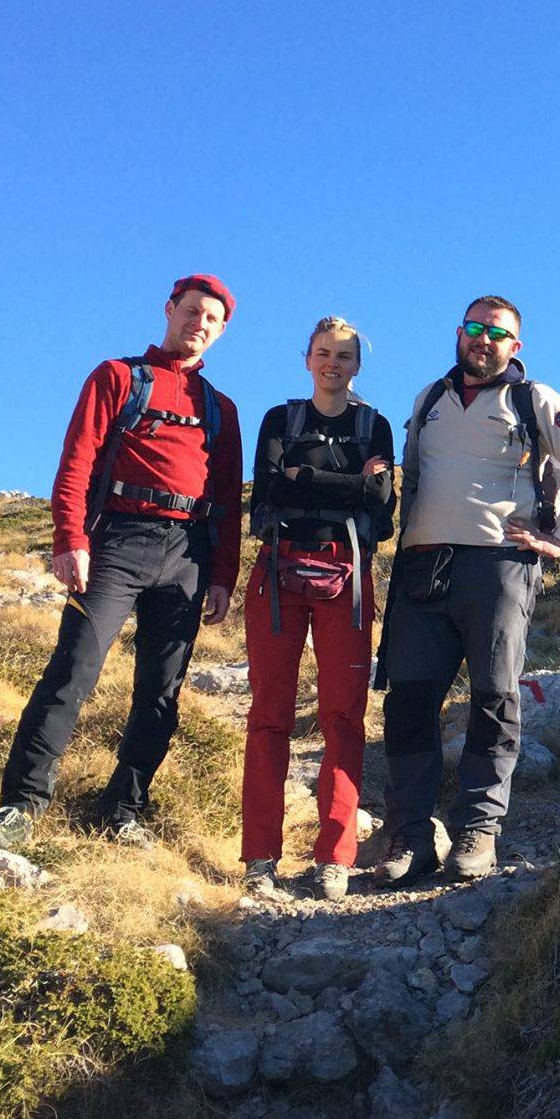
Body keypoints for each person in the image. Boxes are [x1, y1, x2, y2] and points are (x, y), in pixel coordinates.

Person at [0, 275, 243, 850]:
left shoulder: (221, 409)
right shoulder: (118, 377)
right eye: (191, 311)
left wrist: (225, 575)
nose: (198, 323)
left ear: (221, 332)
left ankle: (124, 808)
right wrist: (69, 538)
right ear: (169, 310)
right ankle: (21, 806)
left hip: (188, 553)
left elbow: (227, 500)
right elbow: (77, 460)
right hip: (116, 543)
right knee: (73, 671)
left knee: (161, 690)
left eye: (211, 319)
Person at [376, 295, 560, 885]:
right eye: (473, 328)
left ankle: (477, 832)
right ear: (459, 333)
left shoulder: (534, 400)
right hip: (420, 570)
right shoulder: (428, 400)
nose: (482, 339)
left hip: (499, 568)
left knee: (493, 695)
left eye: (497, 332)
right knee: (408, 701)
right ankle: (410, 836)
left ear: (515, 346)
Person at [241, 316, 395, 901]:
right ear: (307, 357)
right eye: (324, 353)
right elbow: (271, 488)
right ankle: (259, 855)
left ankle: (335, 856)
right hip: (278, 573)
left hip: (347, 573)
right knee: (269, 715)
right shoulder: (279, 420)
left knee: (343, 717)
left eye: (346, 356)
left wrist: (305, 476)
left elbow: (381, 500)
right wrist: (349, 482)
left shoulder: (373, 425)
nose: (334, 363)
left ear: (358, 366)